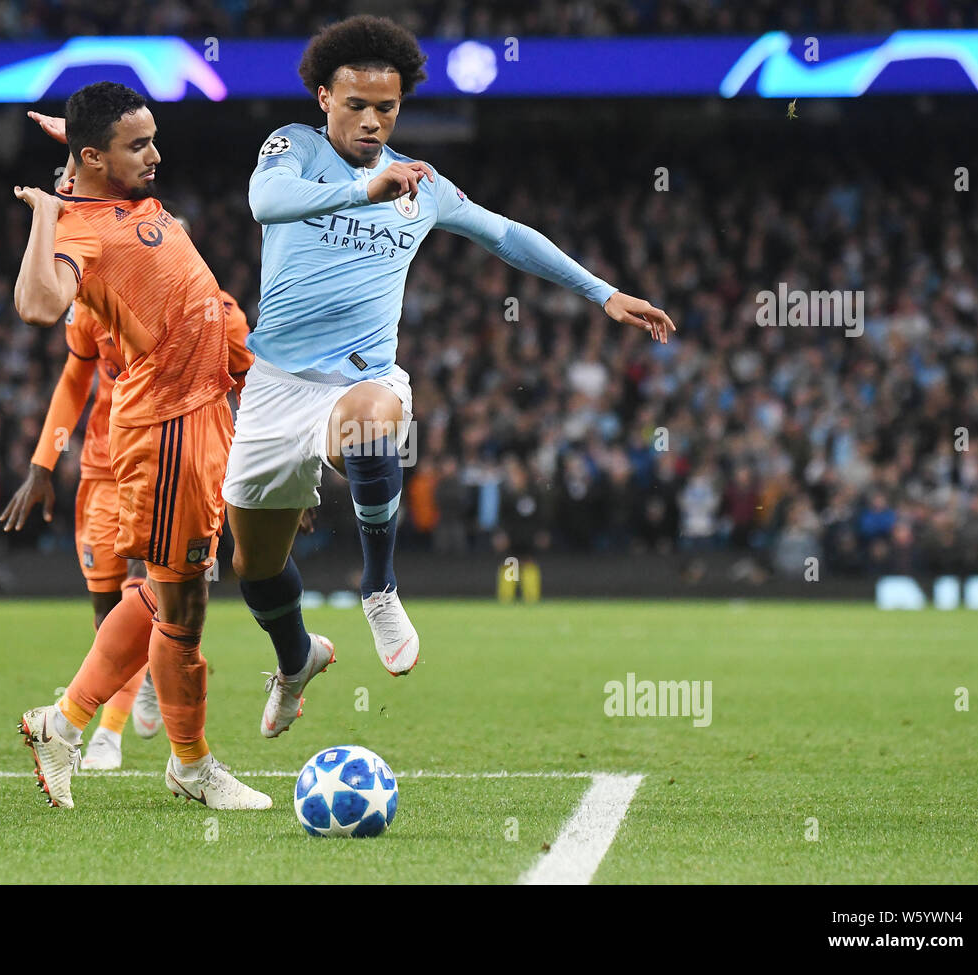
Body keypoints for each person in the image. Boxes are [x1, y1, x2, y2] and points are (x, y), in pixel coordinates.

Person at [225, 15, 675, 737]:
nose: (373, 121)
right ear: (322, 98)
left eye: (388, 108)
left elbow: (504, 234)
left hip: (361, 379)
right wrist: (362, 193)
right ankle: (297, 658)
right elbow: (263, 202)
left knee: (375, 417)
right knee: (253, 565)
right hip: (276, 384)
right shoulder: (294, 148)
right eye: (357, 105)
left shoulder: (422, 185)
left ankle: (378, 585)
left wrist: (603, 292)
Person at [12, 80, 269, 810]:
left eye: (153, 138)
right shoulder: (78, 228)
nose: (155, 154)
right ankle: (188, 765)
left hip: (201, 417)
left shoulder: (113, 190)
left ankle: (61, 723)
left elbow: (96, 157)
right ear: (95, 158)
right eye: (138, 145)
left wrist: (74, 143)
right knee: (182, 611)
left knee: (163, 593)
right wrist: (47, 214)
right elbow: (36, 304)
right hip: (163, 431)